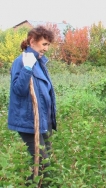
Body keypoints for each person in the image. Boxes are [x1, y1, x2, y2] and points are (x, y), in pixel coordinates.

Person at [7, 26, 57, 182]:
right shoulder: (22, 61)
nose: (46, 48)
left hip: (43, 121)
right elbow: (19, 90)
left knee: (45, 164)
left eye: (48, 44)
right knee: (43, 164)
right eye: (44, 44)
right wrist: (27, 68)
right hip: (30, 121)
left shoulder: (40, 62)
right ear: (32, 41)